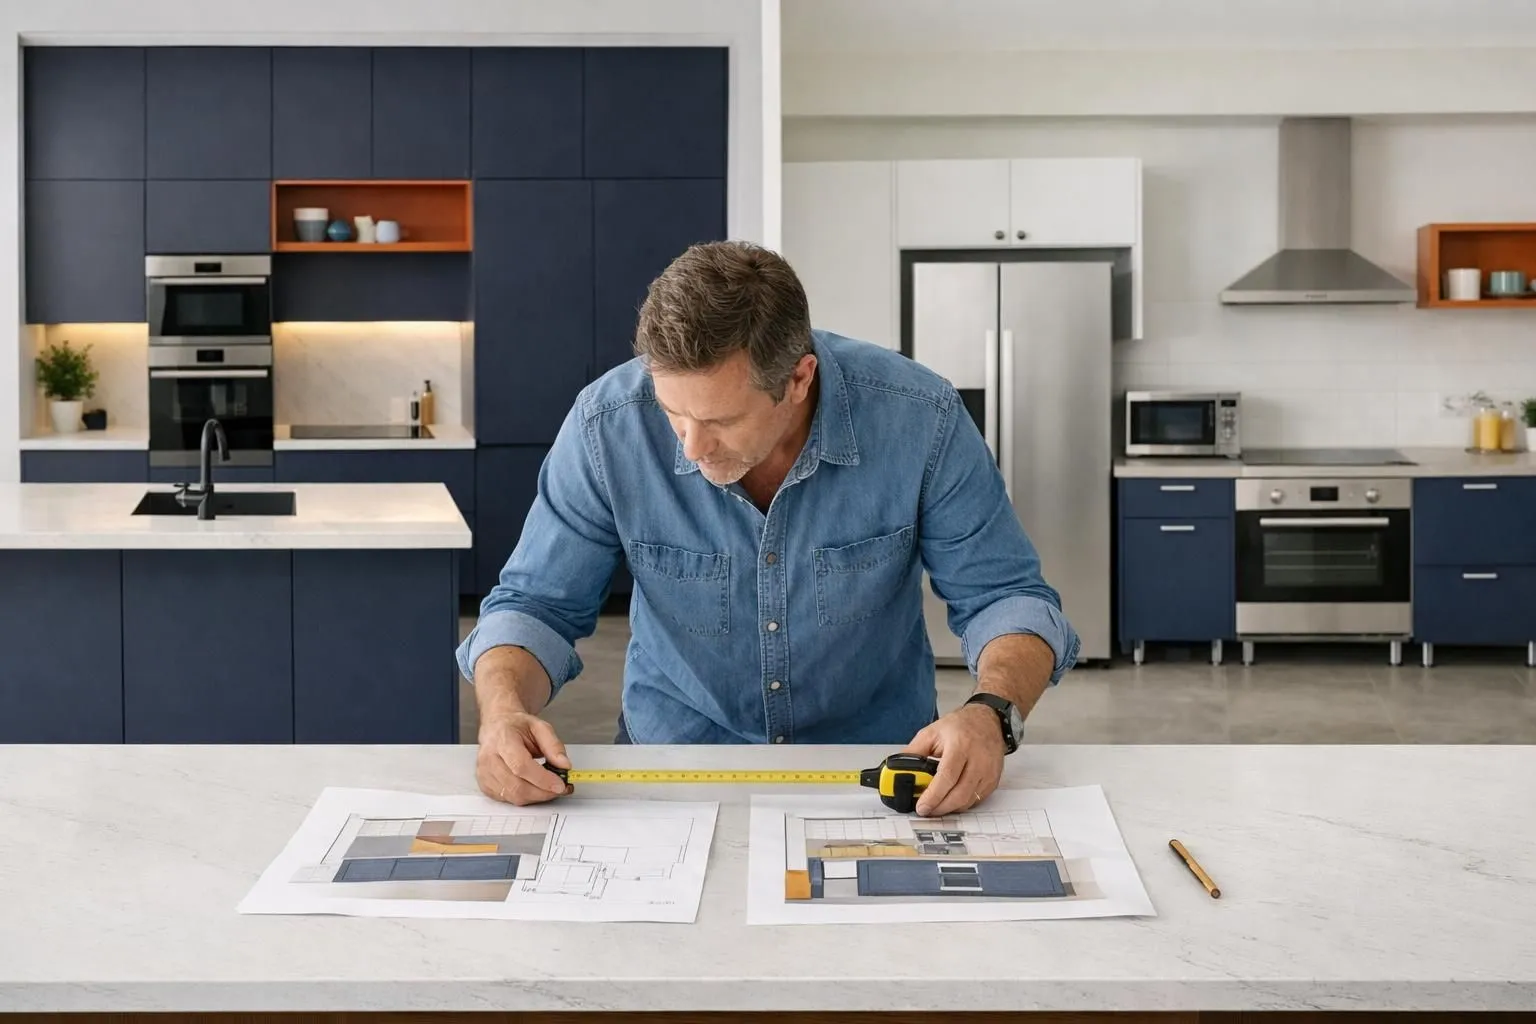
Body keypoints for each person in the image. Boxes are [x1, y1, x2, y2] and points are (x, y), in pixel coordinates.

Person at [457, 240, 1079, 817]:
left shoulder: (921, 419)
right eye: (673, 413)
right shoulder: (605, 426)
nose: (692, 448)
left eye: (722, 421)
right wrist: (502, 711)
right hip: (672, 763)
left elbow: (1005, 597)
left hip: (879, 773)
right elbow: (535, 606)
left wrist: (991, 713)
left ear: (799, 379)